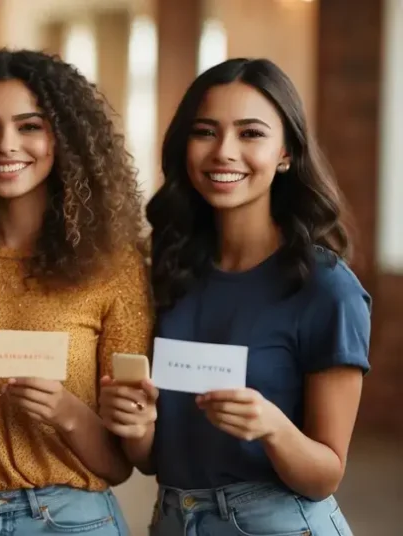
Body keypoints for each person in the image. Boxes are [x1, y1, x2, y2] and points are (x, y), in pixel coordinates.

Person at [99, 58, 369, 535]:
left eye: (250, 134)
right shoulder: (166, 272)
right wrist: (138, 428)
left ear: (286, 153)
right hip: (172, 519)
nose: (224, 152)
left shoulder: (326, 289)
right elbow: (153, 461)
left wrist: (272, 426)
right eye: (205, 131)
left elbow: (326, 474)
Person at [0, 49, 151, 535]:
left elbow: (122, 466)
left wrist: (68, 413)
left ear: (65, 138)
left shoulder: (112, 267)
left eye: (30, 126)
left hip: (72, 521)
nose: (6, 145)